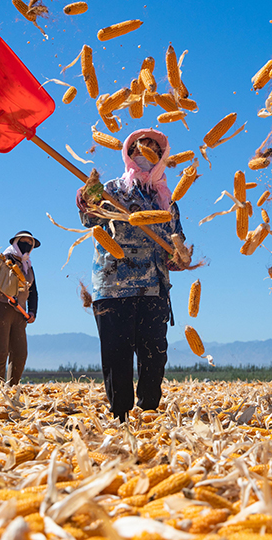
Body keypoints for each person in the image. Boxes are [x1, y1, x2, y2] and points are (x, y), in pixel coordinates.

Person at [76, 129, 191, 422]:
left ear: (162, 155)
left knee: (154, 354)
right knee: (117, 355)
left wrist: (180, 257)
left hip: (154, 289)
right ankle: (120, 415)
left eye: (154, 147)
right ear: (130, 152)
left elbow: (175, 243)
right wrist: (86, 197)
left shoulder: (168, 200)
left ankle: (149, 411)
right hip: (114, 285)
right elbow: (90, 218)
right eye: (142, 147)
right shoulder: (112, 191)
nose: (147, 152)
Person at [0, 231, 40, 387]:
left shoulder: (28, 267)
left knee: (20, 354)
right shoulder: (4, 259)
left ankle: (12, 390)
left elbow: (33, 292)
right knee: (0, 352)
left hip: (19, 312)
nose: (27, 246)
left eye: (30, 244)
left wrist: (32, 312)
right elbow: (3, 282)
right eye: (23, 242)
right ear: (16, 242)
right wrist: (11, 294)